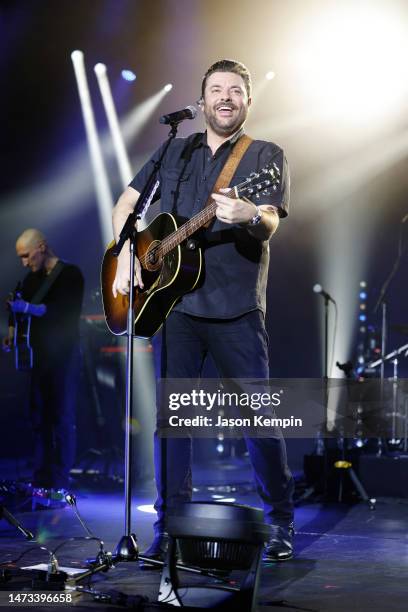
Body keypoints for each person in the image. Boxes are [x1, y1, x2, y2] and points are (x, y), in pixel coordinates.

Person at [112, 59, 294, 562]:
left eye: (236, 90)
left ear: (248, 101)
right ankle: (169, 527)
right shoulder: (174, 149)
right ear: (202, 100)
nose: (226, 97)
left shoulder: (263, 156)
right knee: (171, 426)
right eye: (216, 89)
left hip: (236, 310)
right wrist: (126, 249)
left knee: (260, 421)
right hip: (174, 307)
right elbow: (127, 203)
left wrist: (250, 214)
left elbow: (271, 221)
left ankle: (279, 523)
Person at [3, 229, 84, 490]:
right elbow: (16, 308)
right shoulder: (30, 280)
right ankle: (40, 480)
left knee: (61, 418)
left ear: (42, 247)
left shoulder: (70, 274)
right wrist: (13, 333)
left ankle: (59, 481)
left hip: (64, 357)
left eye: (27, 256)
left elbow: (64, 313)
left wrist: (28, 308)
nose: (25, 263)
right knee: (39, 418)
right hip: (37, 359)